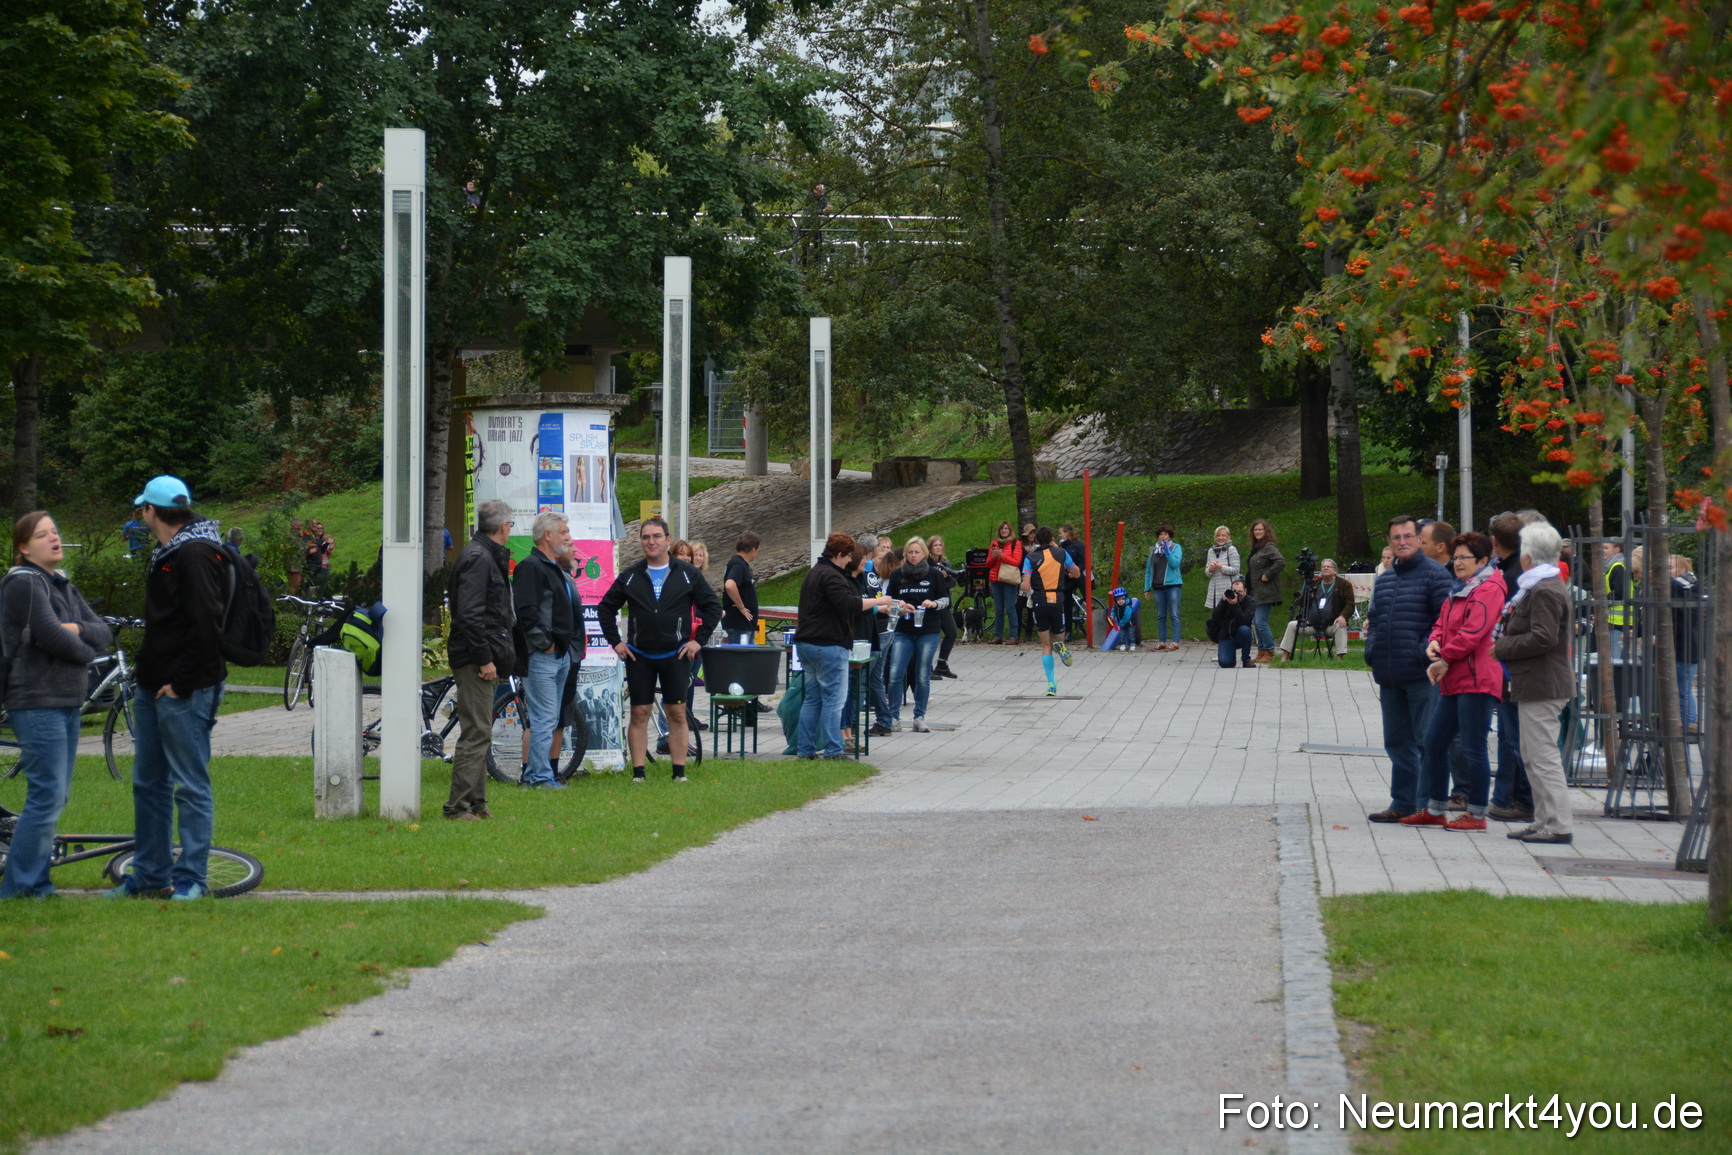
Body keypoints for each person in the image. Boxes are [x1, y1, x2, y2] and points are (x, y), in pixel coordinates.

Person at [108, 476, 228, 899]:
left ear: (150, 512)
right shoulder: (170, 551)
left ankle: (191, 878)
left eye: (142, 508)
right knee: (149, 783)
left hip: (186, 690)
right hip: (152, 685)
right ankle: (149, 874)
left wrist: (181, 685)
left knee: (189, 784)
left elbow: (207, 627)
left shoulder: (195, 553)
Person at [0, 512, 112, 899]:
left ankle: (31, 883)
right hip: (36, 701)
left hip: (65, 701)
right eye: (42, 535)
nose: (54, 538)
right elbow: (48, 634)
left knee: (55, 795)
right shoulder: (23, 582)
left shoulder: (61, 583)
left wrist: (77, 628)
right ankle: (22, 887)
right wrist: (88, 654)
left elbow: (102, 630)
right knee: (46, 794)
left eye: (55, 531)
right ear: (23, 547)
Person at [597, 517, 721, 783]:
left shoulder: (687, 573)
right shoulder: (632, 575)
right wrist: (616, 642)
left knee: (676, 713)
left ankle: (679, 773)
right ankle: (639, 774)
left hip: (675, 655)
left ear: (667, 540)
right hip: (639, 656)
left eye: (656, 536)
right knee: (639, 713)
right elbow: (605, 608)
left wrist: (698, 641)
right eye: (645, 537)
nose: (651, 542)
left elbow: (713, 607)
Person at [1401, 532, 1507, 832]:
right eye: (1456, 557)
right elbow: (1442, 622)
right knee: (1434, 742)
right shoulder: (1462, 586)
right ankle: (1435, 808)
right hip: (1455, 677)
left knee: (1473, 747)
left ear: (1483, 561)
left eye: (1464, 558)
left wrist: (1444, 657)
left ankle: (1477, 813)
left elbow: (1474, 632)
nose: (1458, 562)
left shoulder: (1489, 588)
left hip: (1476, 678)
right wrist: (1434, 641)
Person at [1363, 515, 1454, 823]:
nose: (1402, 541)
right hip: (1389, 672)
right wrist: (1373, 650)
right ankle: (1403, 802)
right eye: (1396, 537)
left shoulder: (1436, 575)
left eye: (1407, 536)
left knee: (1426, 741)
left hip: (1421, 674)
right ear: (1389, 542)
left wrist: (1420, 651)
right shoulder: (1386, 578)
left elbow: (1445, 622)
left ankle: (1427, 806)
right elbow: (1375, 620)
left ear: (1418, 539)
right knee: (1396, 742)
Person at [1492, 523, 1574, 844]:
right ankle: (1543, 820)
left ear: (1528, 556)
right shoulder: (1538, 586)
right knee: (1531, 755)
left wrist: (1502, 647)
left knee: (1542, 757)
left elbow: (1543, 637)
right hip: (1535, 682)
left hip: (1544, 684)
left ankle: (1558, 825)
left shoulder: (1545, 589)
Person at [444, 500, 516, 820]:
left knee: (480, 730)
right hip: (475, 658)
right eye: (510, 525)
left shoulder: (483, 553)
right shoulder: (479, 557)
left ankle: (477, 803)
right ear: (502, 527)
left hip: (480, 654)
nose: (510, 529)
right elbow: (470, 616)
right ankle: (457, 807)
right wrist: (485, 659)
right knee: (476, 733)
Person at [797, 533, 890, 758]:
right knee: (834, 700)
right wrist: (879, 600)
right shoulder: (832, 575)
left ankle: (805, 750)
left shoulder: (814, 572)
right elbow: (848, 604)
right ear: (838, 555)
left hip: (806, 643)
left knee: (812, 699)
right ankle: (833, 749)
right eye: (848, 556)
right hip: (828, 644)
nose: (849, 560)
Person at [513, 512, 578, 789]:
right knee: (545, 717)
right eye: (563, 531)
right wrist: (545, 643)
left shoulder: (553, 567)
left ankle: (533, 776)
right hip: (542, 656)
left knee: (550, 717)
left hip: (560, 654)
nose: (567, 536)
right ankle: (540, 777)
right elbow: (525, 613)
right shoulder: (531, 567)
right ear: (547, 535)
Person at [1486, 511, 1537, 822]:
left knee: (1516, 738)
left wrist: (1500, 647)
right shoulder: (1512, 570)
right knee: (1510, 735)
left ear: (1494, 542)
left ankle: (1523, 800)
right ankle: (1506, 797)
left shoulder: (1510, 576)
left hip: (1510, 667)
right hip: (1509, 665)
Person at [884, 536, 951, 733]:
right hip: (903, 630)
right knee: (895, 673)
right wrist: (898, 605)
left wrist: (933, 603)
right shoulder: (897, 575)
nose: (913, 556)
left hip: (928, 630)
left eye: (917, 552)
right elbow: (888, 600)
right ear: (905, 555)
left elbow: (945, 600)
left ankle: (919, 717)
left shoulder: (934, 575)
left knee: (922, 674)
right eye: (910, 552)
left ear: (924, 554)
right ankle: (893, 717)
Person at [1022, 526, 1079, 697]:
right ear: (1052, 538)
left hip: (1039, 601)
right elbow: (1076, 573)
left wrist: (1024, 585)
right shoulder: (1061, 553)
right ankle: (1060, 645)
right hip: (1057, 600)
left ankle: (1051, 684)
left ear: (1036, 540)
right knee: (1058, 638)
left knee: (1046, 645)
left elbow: (1025, 586)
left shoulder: (1030, 557)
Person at [1278, 557, 1354, 660]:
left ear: (1335, 571)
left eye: (1328, 567)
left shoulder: (1344, 584)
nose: (1325, 568)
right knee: (1292, 625)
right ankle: (1284, 658)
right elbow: (1301, 603)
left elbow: (1350, 604)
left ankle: (1339, 659)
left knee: (1340, 625)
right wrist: (1307, 595)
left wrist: (1342, 616)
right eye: (1323, 567)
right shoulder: (1315, 584)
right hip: (1312, 624)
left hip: (1331, 624)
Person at [1245, 518, 1285, 663]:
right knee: (1256, 622)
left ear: (1266, 531)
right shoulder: (1257, 548)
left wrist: (1267, 575)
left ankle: (1270, 650)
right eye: (1255, 530)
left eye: (1260, 529)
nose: (1257, 532)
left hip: (1266, 591)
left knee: (1260, 621)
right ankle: (1261, 651)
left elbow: (1280, 562)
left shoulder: (1269, 547)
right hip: (1255, 591)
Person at [1671, 553, 1703, 733]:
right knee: (1684, 688)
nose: (1667, 572)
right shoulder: (1687, 587)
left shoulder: (1683, 588)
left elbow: (1684, 620)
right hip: (1687, 647)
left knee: (1683, 688)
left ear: (1682, 569)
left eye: (1670, 568)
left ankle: (1690, 721)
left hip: (1685, 648)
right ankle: (1689, 720)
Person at [927, 535, 964, 679]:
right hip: (930, 603)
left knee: (952, 631)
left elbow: (952, 583)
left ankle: (942, 664)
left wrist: (946, 577)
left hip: (943, 602)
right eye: (935, 545)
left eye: (940, 545)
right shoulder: (926, 562)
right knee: (932, 634)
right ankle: (927, 667)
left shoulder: (945, 562)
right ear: (930, 547)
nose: (938, 547)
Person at [1142, 523, 1184, 651]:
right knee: (1161, 615)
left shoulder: (1176, 548)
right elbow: (1149, 570)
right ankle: (1162, 641)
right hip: (1158, 586)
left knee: (1174, 614)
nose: (1163, 536)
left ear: (1170, 536)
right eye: (1161, 534)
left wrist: (1167, 551)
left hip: (1173, 586)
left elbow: (1175, 563)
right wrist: (1147, 587)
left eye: (1165, 534)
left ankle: (1175, 642)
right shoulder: (1154, 551)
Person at [985, 521, 1023, 644]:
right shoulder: (994, 543)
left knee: (1010, 607)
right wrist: (994, 557)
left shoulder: (1016, 544)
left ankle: (1014, 635)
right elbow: (988, 564)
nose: (1004, 531)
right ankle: (998, 635)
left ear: (1010, 530)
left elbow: (1017, 562)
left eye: (1006, 528)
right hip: (995, 579)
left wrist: (1002, 556)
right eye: (1002, 529)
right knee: (999, 609)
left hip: (1008, 579)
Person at [721, 531, 761, 645]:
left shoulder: (740, 564)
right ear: (753, 549)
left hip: (744, 624)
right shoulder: (739, 565)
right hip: (739, 625)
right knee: (741, 655)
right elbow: (730, 585)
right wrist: (742, 607)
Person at [1208, 578, 1256, 668]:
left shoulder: (1250, 602)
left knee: (1245, 629)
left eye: (1240, 591)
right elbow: (1215, 617)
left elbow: (1244, 620)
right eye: (1234, 591)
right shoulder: (1226, 600)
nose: (1237, 594)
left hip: (1241, 636)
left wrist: (1235, 605)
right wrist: (1223, 602)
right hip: (1226, 636)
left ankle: (1246, 659)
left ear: (1245, 591)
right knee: (1225, 663)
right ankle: (1231, 657)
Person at [1601, 539, 1631, 660]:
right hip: (1616, 619)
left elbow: (1619, 593)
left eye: (1606, 548)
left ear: (1617, 550)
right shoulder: (1612, 566)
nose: (1602, 550)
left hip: (1619, 620)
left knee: (1615, 658)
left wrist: (1602, 601)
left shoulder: (1617, 567)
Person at [1202, 525, 1240, 611]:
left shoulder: (1231, 549)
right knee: (1216, 616)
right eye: (1218, 536)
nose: (1220, 538)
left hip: (1229, 588)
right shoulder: (1211, 551)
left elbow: (1236, 570)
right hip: (1214, 590)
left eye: (1223, 535)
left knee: (1229, 615)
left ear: (1228, 537)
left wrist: (1221, 567)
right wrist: (1210, 570)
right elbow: (1208, 573)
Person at [1058, 524, 1086, 639]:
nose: (1059, 535)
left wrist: (1076, 571)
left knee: (1082, 587)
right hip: (1066, 579)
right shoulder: (1060, 548)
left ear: (1067, 533)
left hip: (1077, 577)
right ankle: (1068, 631)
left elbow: (1083, 561)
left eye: (1061, 533)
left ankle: (1088, 603)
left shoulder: (1079, 546)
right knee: (1067, 604)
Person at [1103, 587, 1141, 652]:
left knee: (1131, 634)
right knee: (1122, 635)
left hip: (1129, 623)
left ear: (1125, 597)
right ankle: (1122, 645)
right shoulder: (1116, 605)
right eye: (1118, 599)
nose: (1120, 601)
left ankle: (1132, 645)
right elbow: (1114, 610)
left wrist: (1122, 622)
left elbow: (1127, 616)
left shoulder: (1127, 606)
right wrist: (1112, 615)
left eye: (1122, 598)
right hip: (1121, 623)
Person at [304, 519, 334, 589]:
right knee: (309, 584)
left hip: (321, 563)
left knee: (321, 584)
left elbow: (323, 551)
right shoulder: (309, 536)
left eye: (321, 528)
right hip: (312, 564)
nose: (319, 529)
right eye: (317, 527)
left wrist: (328, 545)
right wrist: (325, 542)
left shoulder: (318, 537)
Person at [285, 517, 306, 592]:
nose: (300, 528)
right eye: (299, 526)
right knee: (294, 586)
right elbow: (296, 550)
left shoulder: (295, 536)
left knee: (294, 586)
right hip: (294, 565)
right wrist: (307, 546)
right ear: (293, 526)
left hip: (294, 565)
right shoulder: (291, 538)